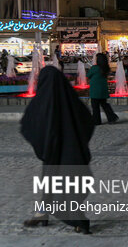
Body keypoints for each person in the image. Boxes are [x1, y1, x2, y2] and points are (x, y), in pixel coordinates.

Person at [21, 66, 94, 234]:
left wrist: (45, 145)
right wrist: (76, 140)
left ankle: (80, 222)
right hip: (71, 150)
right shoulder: (71, 100)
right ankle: (42, 213)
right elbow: (87, 121)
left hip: (54, 152)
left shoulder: (42, 102)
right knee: (57, 184)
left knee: (63, 187)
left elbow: (28, 124)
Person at [87, 54, 119, 125]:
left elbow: (88, 75)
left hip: (95, 90)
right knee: (104, 104)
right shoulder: (106, 68)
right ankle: (112, 117)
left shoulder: (94, 68)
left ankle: (97, 121)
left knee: (95, 106)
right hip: (103, 89)